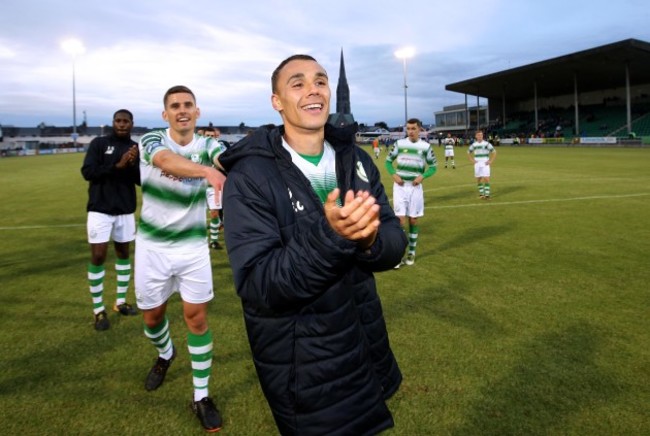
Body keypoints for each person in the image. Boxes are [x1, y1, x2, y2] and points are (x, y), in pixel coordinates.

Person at [219, 54, 407, 435]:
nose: (313, 90)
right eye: (298, 83)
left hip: (366, 346)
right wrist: (333, 237)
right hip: (306, 368)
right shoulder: (250, 176)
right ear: (277, 101)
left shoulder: (355, 159)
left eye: (320, 81)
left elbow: (393, 238)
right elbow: (259, 283)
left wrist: (370, 240)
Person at [135, 85, 226, 432]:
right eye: (175, 106)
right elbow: (164, 161)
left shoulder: (207, 145)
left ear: (197, 111)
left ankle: (201, 396)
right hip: (152, 247)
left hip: (192, 248)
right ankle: (165, 354)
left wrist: (223, 162)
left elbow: (222, 158)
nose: (182, 110)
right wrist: (206, 172)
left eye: (188, 105)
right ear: (165, 114)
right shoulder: (152, 140)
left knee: (196, 319)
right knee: (152, 318)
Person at [81, 109, 140, 331]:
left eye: (126, 121)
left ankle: (120, 302)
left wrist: (133, 164)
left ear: (132, 124)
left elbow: (139, 180)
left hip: (125, 210)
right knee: (98, 256)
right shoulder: (99, 143)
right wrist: (118, 165)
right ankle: (98, 310)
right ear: (113, 122)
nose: (122, 124)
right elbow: (87, 172)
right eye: (118, 121)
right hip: (100, 209)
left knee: (124, 254)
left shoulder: (135, 148)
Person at [385, 118, 437, 267]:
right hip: (400, 187)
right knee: (400, 220)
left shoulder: (426, 147)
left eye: (413, 128)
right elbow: (388, 162)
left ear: (420, 129)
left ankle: (411, 252)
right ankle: (398, 255)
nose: (410, 131)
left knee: (413, 219)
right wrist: (394, 175)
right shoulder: (399, 144)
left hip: (415, 188)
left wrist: (423, 176)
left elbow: (433, 166)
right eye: (408, 128)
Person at [203, 127, 224, 250]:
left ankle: (214, 241)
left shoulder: (219, 149)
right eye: (208, 136)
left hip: (213, 187)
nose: (210, 138)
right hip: (198, 187)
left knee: (214, 213)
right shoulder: (195, 148)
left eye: (212, 136)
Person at [467, 129, 497, 199]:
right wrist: (471, 160)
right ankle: (481, 194)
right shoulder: (474, 144)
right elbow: (468, 152)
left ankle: (487, 195)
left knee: (486, 178)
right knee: (479, 179)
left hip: (485, 163)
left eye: (481, 135)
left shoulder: (486, 144)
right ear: (476, 136)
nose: (480, 136)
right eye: (478, 135)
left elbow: (494, 152)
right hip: (477, 163)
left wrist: (491, 161)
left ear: (482, 135)